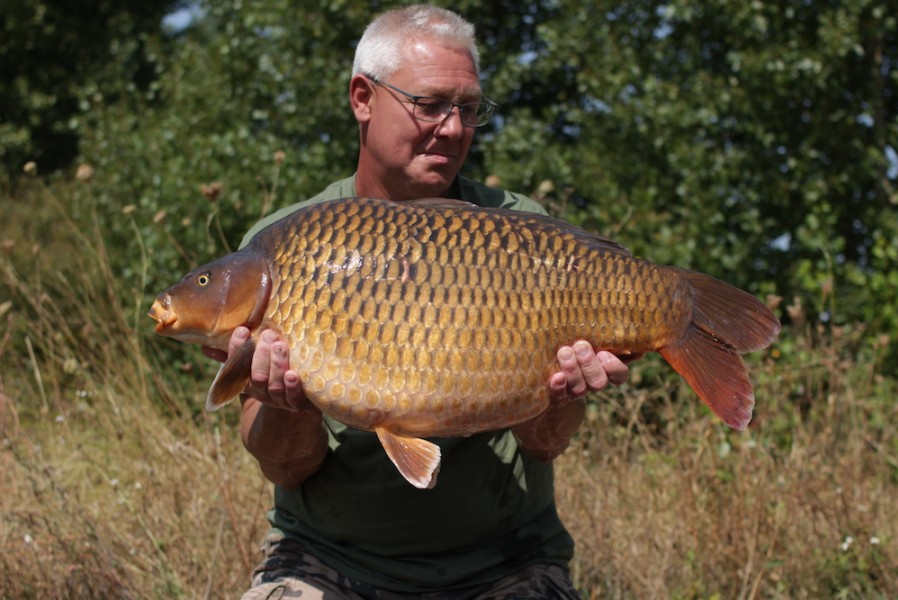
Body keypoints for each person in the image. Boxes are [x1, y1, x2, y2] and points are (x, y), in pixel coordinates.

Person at [210, 5, 632, 599]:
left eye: (468, 109)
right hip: (326, 560)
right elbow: (286, 469)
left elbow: (544, 444)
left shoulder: (522, 234)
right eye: (431, 105)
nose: (455, 128)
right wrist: (287, 404)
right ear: (363, 97)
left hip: (505, 560)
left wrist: (563, 397)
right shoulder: (288, 242)